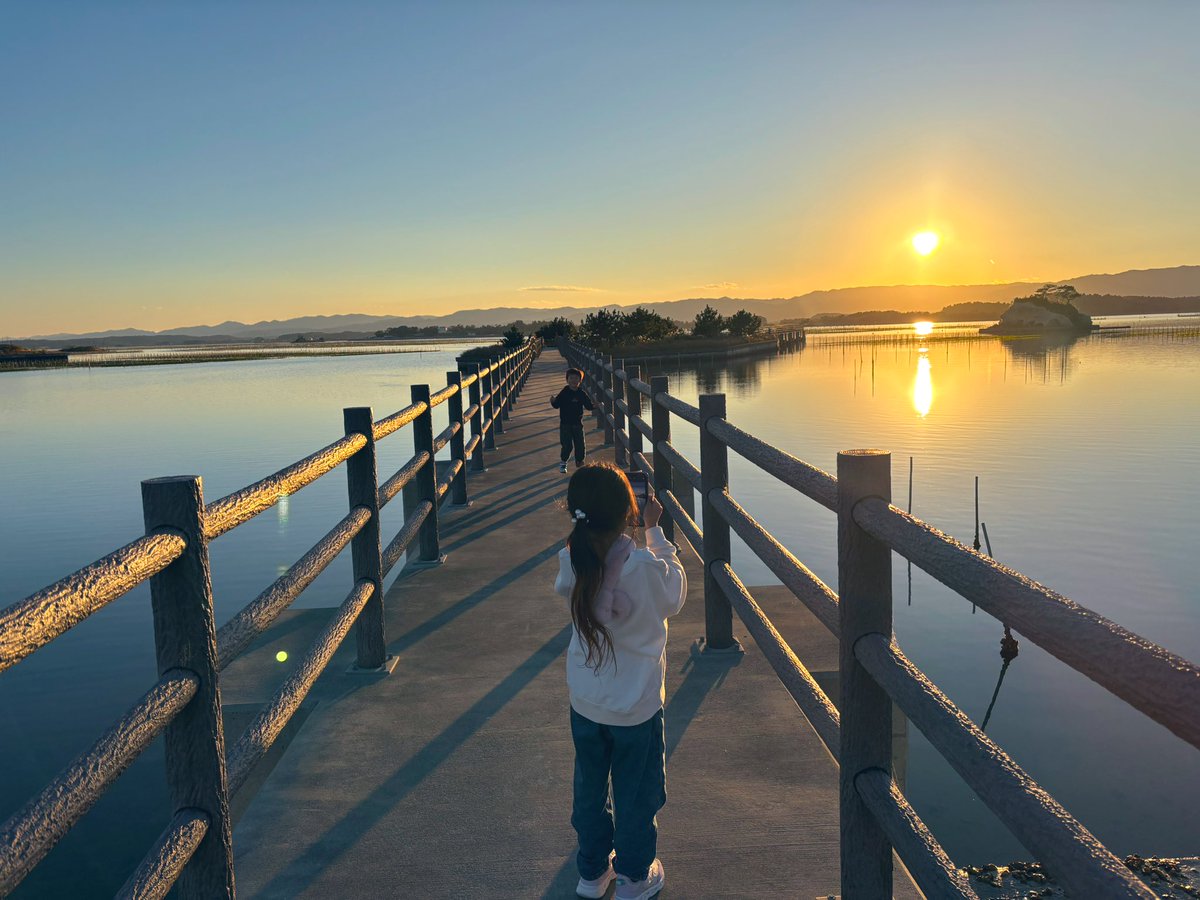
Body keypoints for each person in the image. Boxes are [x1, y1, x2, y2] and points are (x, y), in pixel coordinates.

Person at [554, 463, 686, 900]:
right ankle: (633, 876)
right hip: (637, 706)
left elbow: (564, 584)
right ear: (631, 511)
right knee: (636, 792)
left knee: (589, 789)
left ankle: (591, 874)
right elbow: (676, 594)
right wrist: (656, 534)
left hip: (588, 703)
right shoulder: (646, 567)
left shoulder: (573, 563)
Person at [551, 367, 594, 473]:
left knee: (580, 445)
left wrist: (595, 406)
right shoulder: (565, 391)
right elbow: (557, 405)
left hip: (578, 424)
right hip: (565, 424)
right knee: (567, 445)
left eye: (576, 378)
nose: (573, 380)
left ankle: (580, 463)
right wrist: (553, 401)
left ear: (580, 380)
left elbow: (588, 405)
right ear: (567, 380)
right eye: (571, 378)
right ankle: (563, 462)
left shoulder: (581, 393)